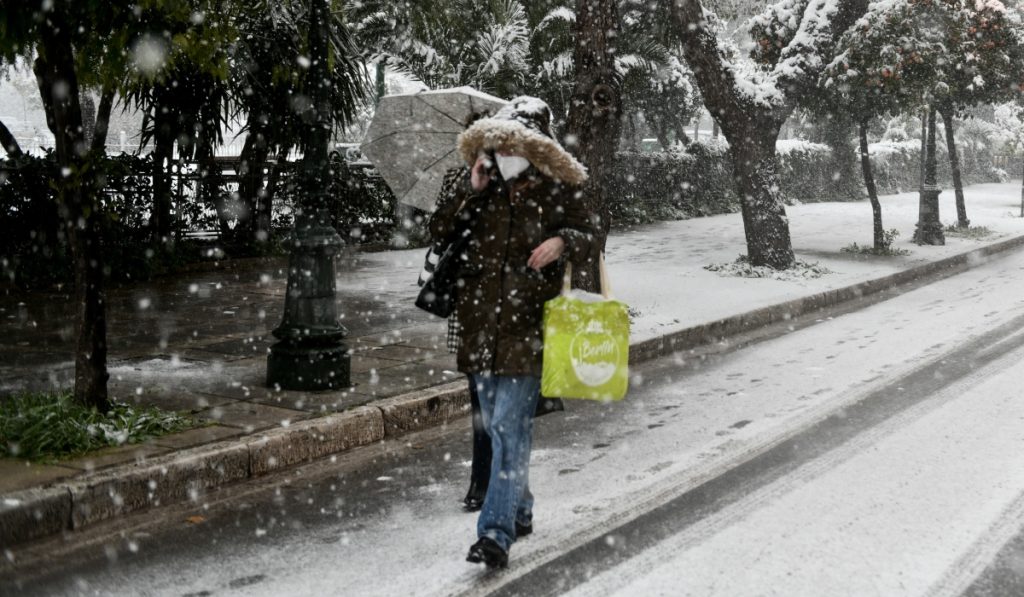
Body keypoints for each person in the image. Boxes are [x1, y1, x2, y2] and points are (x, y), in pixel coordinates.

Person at [428, 97, 595, 568]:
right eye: (500, 142)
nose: (505, 152)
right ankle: (519, 508)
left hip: (529, 325)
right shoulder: (479, 185)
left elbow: (593, 231)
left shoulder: (555, 188)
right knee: (499, 427)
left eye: (515, 144)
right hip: (479, 323)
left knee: (507, 425)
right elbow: (439, 232)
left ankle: (496, 532)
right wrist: (471, 188)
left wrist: (563, 240)